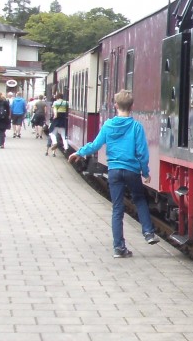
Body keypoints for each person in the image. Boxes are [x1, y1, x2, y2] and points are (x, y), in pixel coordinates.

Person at [68, 90, 159, 258]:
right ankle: (148, 233)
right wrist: (145, 172)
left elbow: (95, 145)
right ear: (132, 107)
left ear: (115, 106)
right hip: (132, 170)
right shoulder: (136, 127)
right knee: (139, 199)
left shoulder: (108, 125)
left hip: (114, 170)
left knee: (117, 208)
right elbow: (142, 153)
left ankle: (119, 248)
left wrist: (79, 152)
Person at [47, 92, 71, 156]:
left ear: (57, 97)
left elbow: (55, 113)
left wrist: (54, 117)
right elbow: (68, 110)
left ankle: (55, 143)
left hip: (57, 120)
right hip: (63, 120)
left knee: (51, 133)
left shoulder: (55, 103)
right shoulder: (66, 103)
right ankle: (66, 148)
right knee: (64, 136)